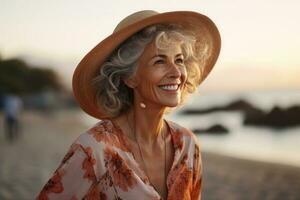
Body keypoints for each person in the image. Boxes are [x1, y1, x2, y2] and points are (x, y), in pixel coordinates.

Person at [37, 10, 221, 200]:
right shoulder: (94, 150)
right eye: (160, 61)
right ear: (129, 77)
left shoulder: (188, 145)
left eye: (179, 60)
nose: (176, 72)